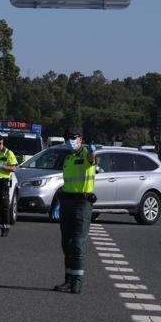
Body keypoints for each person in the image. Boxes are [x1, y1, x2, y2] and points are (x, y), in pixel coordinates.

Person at [53, 126, 96, 294]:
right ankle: (68, 279)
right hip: (67, 202)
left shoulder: (85, 154)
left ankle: (76, 282)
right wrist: (58, 200)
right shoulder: (68, 159)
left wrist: (92, 153)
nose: (70, 140)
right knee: (66, 243)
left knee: (77, 243)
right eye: (68, 137)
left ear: (81, 139)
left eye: (73, 137)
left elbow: (92, 160)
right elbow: (67, 182)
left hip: (82, 203)